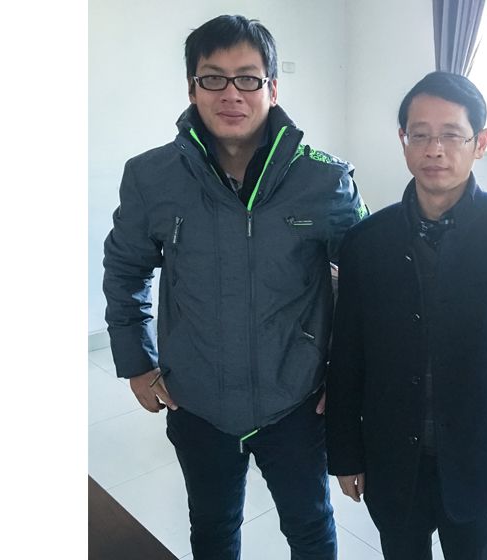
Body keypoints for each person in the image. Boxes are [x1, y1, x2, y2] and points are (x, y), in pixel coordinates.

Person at [103, 14, 367, 559]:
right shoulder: (151, 177)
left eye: (247, 78)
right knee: (213, 527)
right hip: (197, 399)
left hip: (296, 402)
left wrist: (346, 379)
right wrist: (136, 362)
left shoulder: (325, 180)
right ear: (192, 88)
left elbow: (369, 288)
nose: (231, 94)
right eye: (213, 78)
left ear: (272, 87)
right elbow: (125, 270)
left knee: (310, 528)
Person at [325, 71, 487, 560]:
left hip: (484, 463)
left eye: (452, 135)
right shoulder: (366, 242)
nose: (435, 149)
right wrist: (345, 453)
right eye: (420, 134)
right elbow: (347, 355)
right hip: (393, 461)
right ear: (403, 140)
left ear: (480, 142)